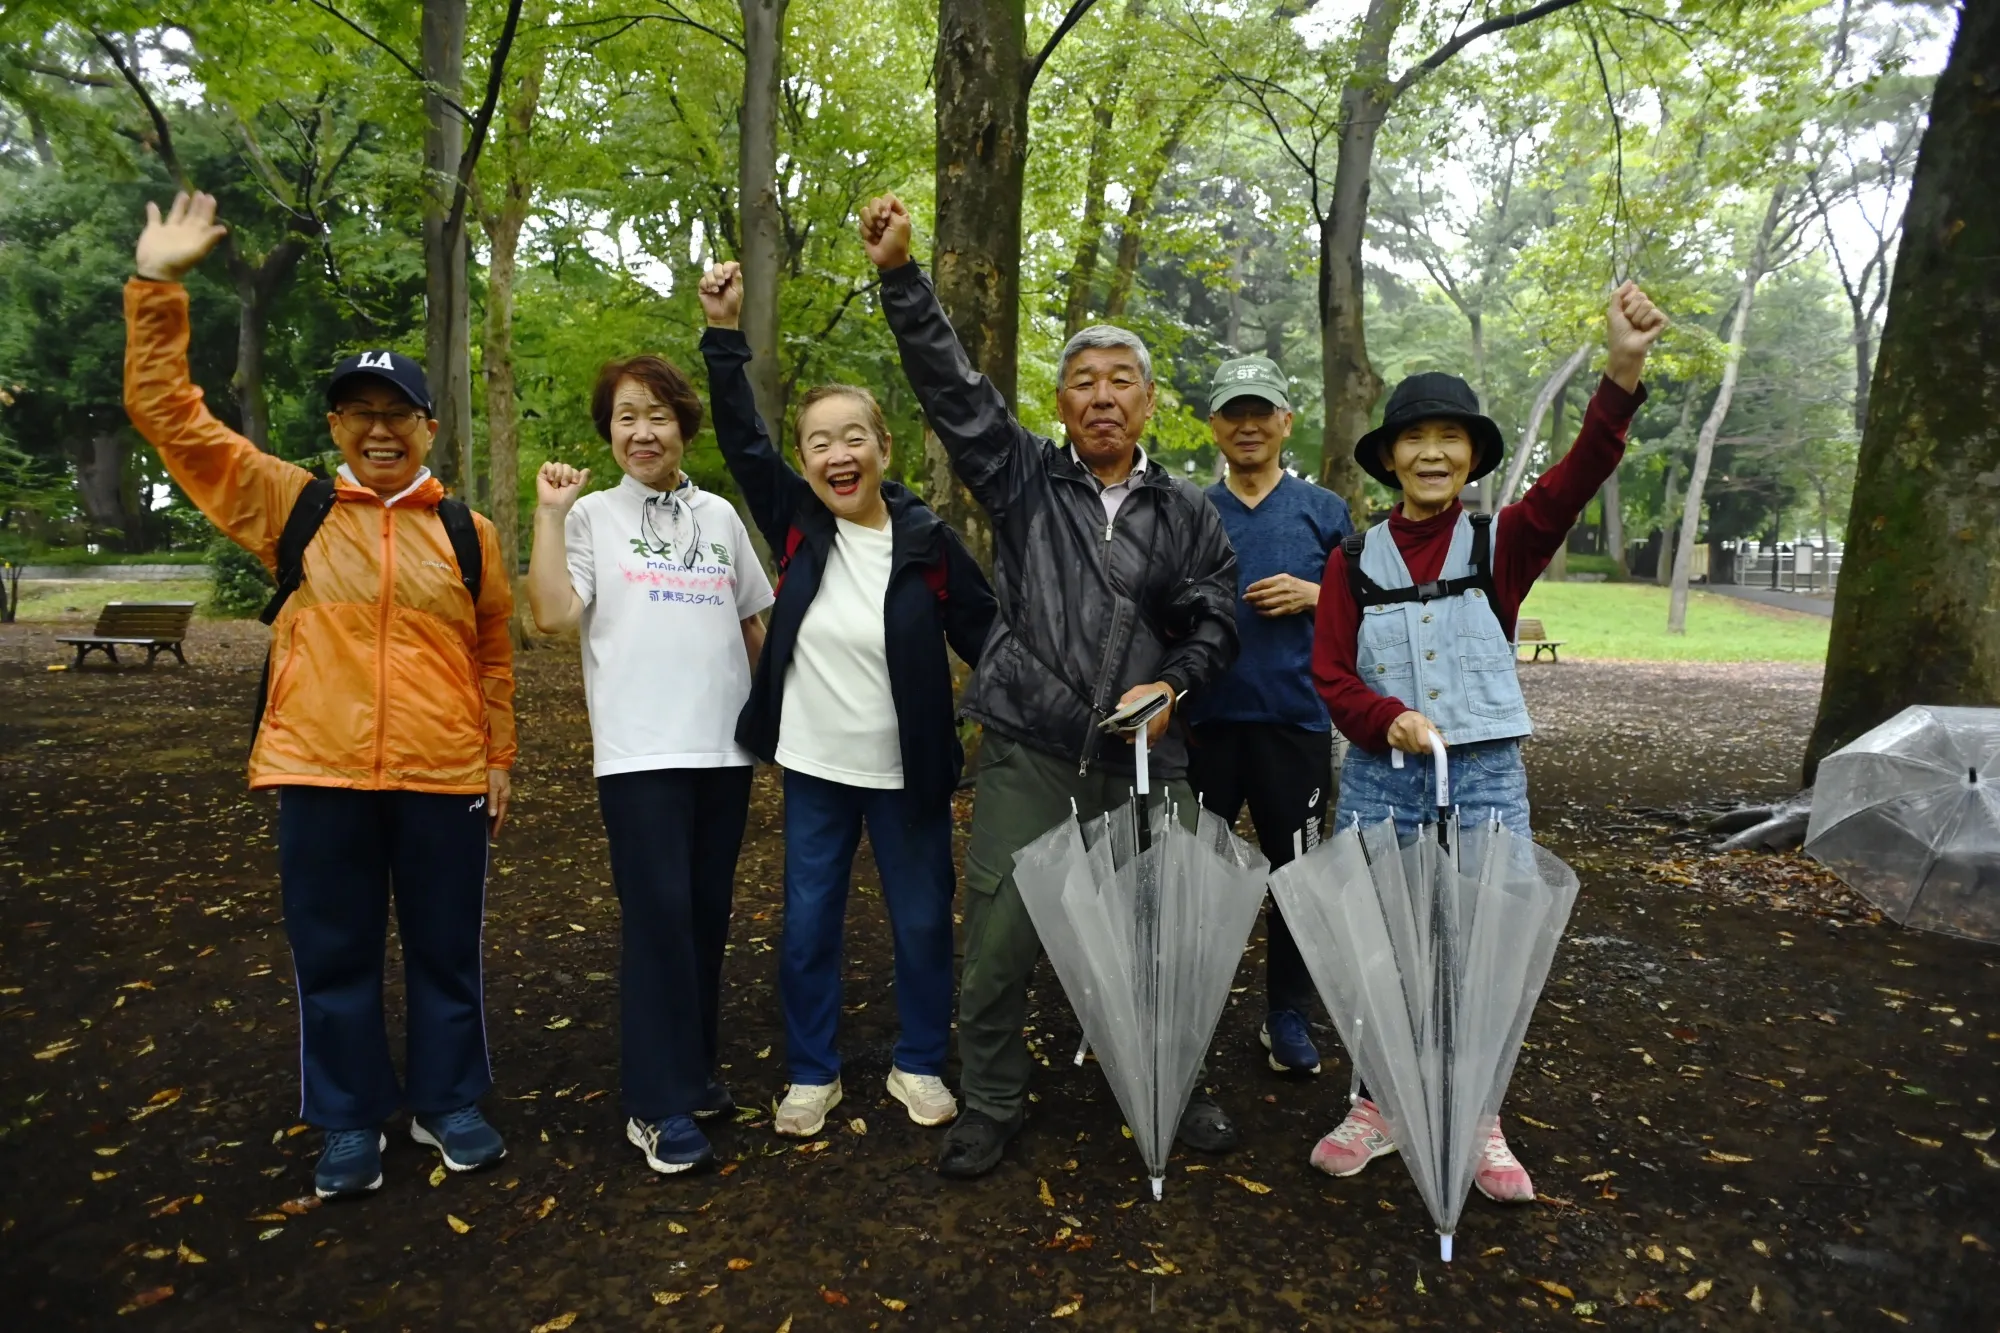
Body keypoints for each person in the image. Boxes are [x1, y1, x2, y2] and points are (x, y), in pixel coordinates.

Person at [123, 192, 517, 1200]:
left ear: (428, 426)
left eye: (398, 415)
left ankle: (447, 1100)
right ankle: (346, 1117)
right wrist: (159, 285)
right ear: (337, 424)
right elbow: (171, 418)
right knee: (334, 957)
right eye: (360, 414)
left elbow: (492, 651)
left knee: (444, 953)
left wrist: (499, 758)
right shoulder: (291, 505)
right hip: (319, 769)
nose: (379, 430)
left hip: (441, 778)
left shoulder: (467, 534)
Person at [857, 195, 1242, 1178]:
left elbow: (1216, 615)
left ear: (1148, 402)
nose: (1101, 396)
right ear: (1063, 403)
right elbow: (954, 393)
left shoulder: (1185, 511)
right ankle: (990, 1098)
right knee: (994, 944)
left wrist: (1175, 686)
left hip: (1150, 760)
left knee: (1172, 939)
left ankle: (1173, 1079)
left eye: (1121, 381)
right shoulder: (1024, 481)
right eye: (1082, 382)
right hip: (1031, 750)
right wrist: (902, 280)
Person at [1307, 280, 1668, 1201]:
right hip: (1385, 782)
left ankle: (1477, 1116)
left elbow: (1577, 474)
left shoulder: (1500, 543)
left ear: (1470, 457)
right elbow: (1333, 674)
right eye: (1414, 440)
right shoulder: (1353, 560)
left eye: (1449, 439)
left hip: (1486, 779)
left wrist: (1622, 372)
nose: (1431, 453)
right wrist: (1387, 717)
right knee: (1382, 947)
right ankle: (1379, 1104)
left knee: (1482, 948)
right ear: (1390, 458)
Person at [694, 262, 997, 1140]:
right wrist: (723, 333)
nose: (839, 453)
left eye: (854, 436)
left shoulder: (930, 543)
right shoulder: (798, 522)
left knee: (919, 923)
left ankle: (919, 1061)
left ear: (884, 447)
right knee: (808, 926)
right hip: (816, 768)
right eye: (820, 440)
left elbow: (992, 637)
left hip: (910, 776)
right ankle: (811, 1071)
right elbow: (742, 438)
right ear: (805, 458)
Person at [527, 352, 774, 1176]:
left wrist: (776, 719)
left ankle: (695, 1073)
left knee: (706, 917)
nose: (643, 430)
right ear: (610, 429)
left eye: (659, 415)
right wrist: (549, 514)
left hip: (723, 749)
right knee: (659, 919)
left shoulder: (722, 518)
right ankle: (654, 1104)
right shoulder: (592, 514)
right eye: (628, 415)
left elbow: (753, 624)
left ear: (683, 427)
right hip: (640, 755)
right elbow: (553, 616)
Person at [1183, 356, 1352, 1076]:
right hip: (1205, 726)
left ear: (1287, 421)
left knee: (1297, 876)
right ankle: (1190, 1006)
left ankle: (1286, 1012)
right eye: (1233, 412)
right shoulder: (1189, 509)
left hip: (1296, 724)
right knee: (1200, 876)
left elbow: (1363, 613)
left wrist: (1317, 596)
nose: (1248, 425)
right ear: (1214, 426)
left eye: (1262, 411)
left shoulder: (1324, 511)